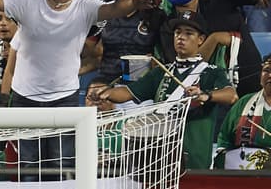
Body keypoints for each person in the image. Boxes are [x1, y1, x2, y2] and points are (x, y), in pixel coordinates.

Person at [0, 0, 154, 176]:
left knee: (63, 165)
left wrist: (131, 4)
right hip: (25, 99)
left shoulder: (85, 7)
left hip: (64, 98)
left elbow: (113, 9)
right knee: (30, 168)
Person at [91, 10, 235, 169]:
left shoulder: (212, 71)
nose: (181, 37)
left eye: (189, 33)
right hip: (161, 157)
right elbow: (127, 93)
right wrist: (105, 93)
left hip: (195, 156)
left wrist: (205, 95)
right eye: (178, 32)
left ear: (201, 39)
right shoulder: (161, 72)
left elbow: (231, 95)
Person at [214, 56, 271, 169]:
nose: (270, 75)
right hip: (241, 171)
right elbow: (225, 138)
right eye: (266, 70)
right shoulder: (245, 102)